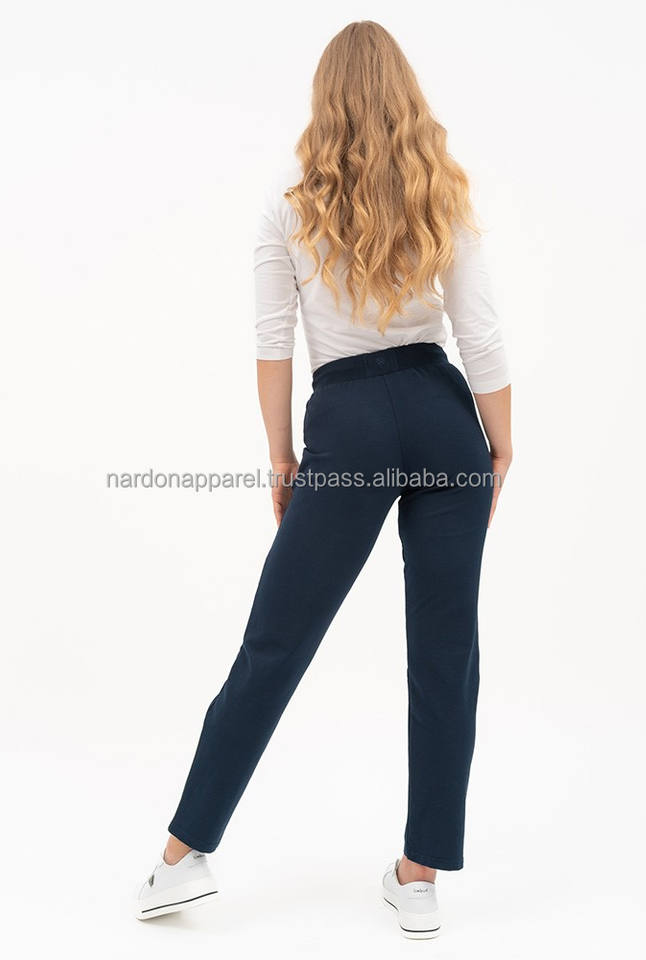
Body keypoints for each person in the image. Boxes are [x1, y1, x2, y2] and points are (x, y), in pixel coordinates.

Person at [136, 20, 512, 940]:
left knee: (278, 638)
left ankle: (182, 857)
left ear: (324, 98)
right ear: (406, 94)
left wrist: (282, 460)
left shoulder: (290, 202)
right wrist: (499, 445)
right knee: (447, 651)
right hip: (443, 415)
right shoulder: (441, 188)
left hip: (347, 423)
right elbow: (480, 330)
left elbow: (273, 344)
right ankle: (419, 877)